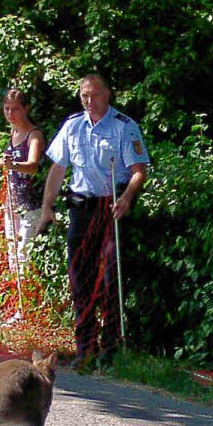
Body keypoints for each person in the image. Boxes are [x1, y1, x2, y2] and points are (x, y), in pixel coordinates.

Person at [40, 74, 150, 366]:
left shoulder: (124, 127)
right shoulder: (73, 125)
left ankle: (111, 345)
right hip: (80, 206)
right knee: (80, 276)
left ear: (108, 95)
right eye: (84, 96)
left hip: (111, 205)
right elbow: (58, 168)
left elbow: (139, 170)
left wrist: (127, 197)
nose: (89, 101)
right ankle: (84, 346)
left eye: (94, 95)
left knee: (109, 277)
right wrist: (47, 206)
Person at [0, 89, 45, 272]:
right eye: (7, 109)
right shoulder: (14, 133)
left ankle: (29, 295)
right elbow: (8, 160)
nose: (10, 114)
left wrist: (13, 165)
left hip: (31, 204)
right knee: (12, 250)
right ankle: (17, 297)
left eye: (15, 109)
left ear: (26, 108)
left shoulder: (34, 135)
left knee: (25, 252)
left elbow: (32, 165)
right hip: (12, 203)